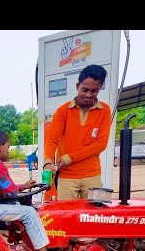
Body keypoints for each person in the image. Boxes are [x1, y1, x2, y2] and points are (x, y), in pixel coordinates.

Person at [43, 64, 112, 200]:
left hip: (92, 175)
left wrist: (70, 158)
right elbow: (52, 140)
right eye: (84, 89)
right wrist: (47, 163)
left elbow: (101, 144)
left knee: (95, 217)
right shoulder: (63, 111)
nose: (88, 95)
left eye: (94, 91)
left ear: (100, 88)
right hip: (66, 177)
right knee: (67, 217)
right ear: (77, 86)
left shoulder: (104, 110)